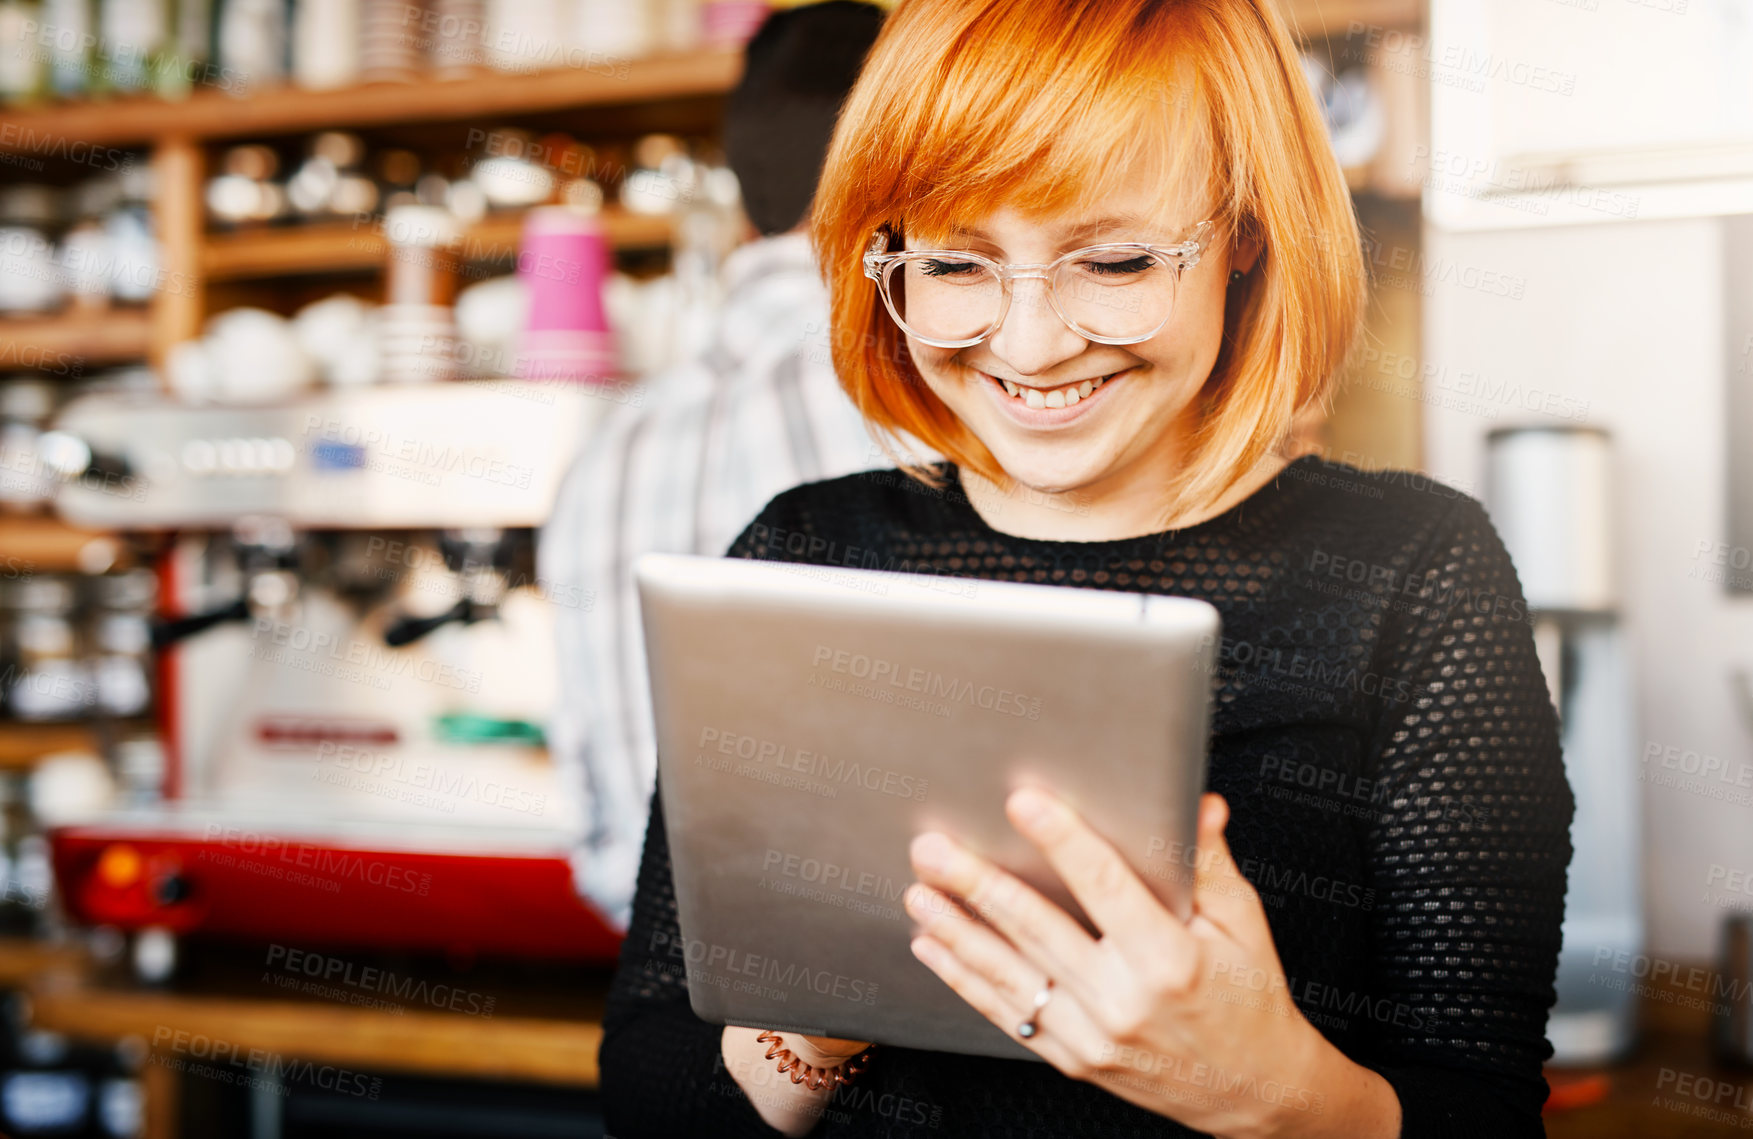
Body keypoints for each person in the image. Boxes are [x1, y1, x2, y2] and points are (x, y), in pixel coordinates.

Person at [600, 0, 1574, 1136]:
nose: (1030, 344)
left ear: (1249, 234)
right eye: (956, 263)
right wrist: (813, 1019)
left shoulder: (1412, 574)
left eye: (1112, 260)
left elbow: (1484, 1109)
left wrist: (1271, 1090)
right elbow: (653, 1086)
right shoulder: (805, 549)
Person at [540, 1, 895, 928]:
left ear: (743, 206)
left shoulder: (598, 461)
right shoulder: (927, 400)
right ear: (915, 166)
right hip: (907, 1006)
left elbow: (594, 835)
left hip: (663, 990)